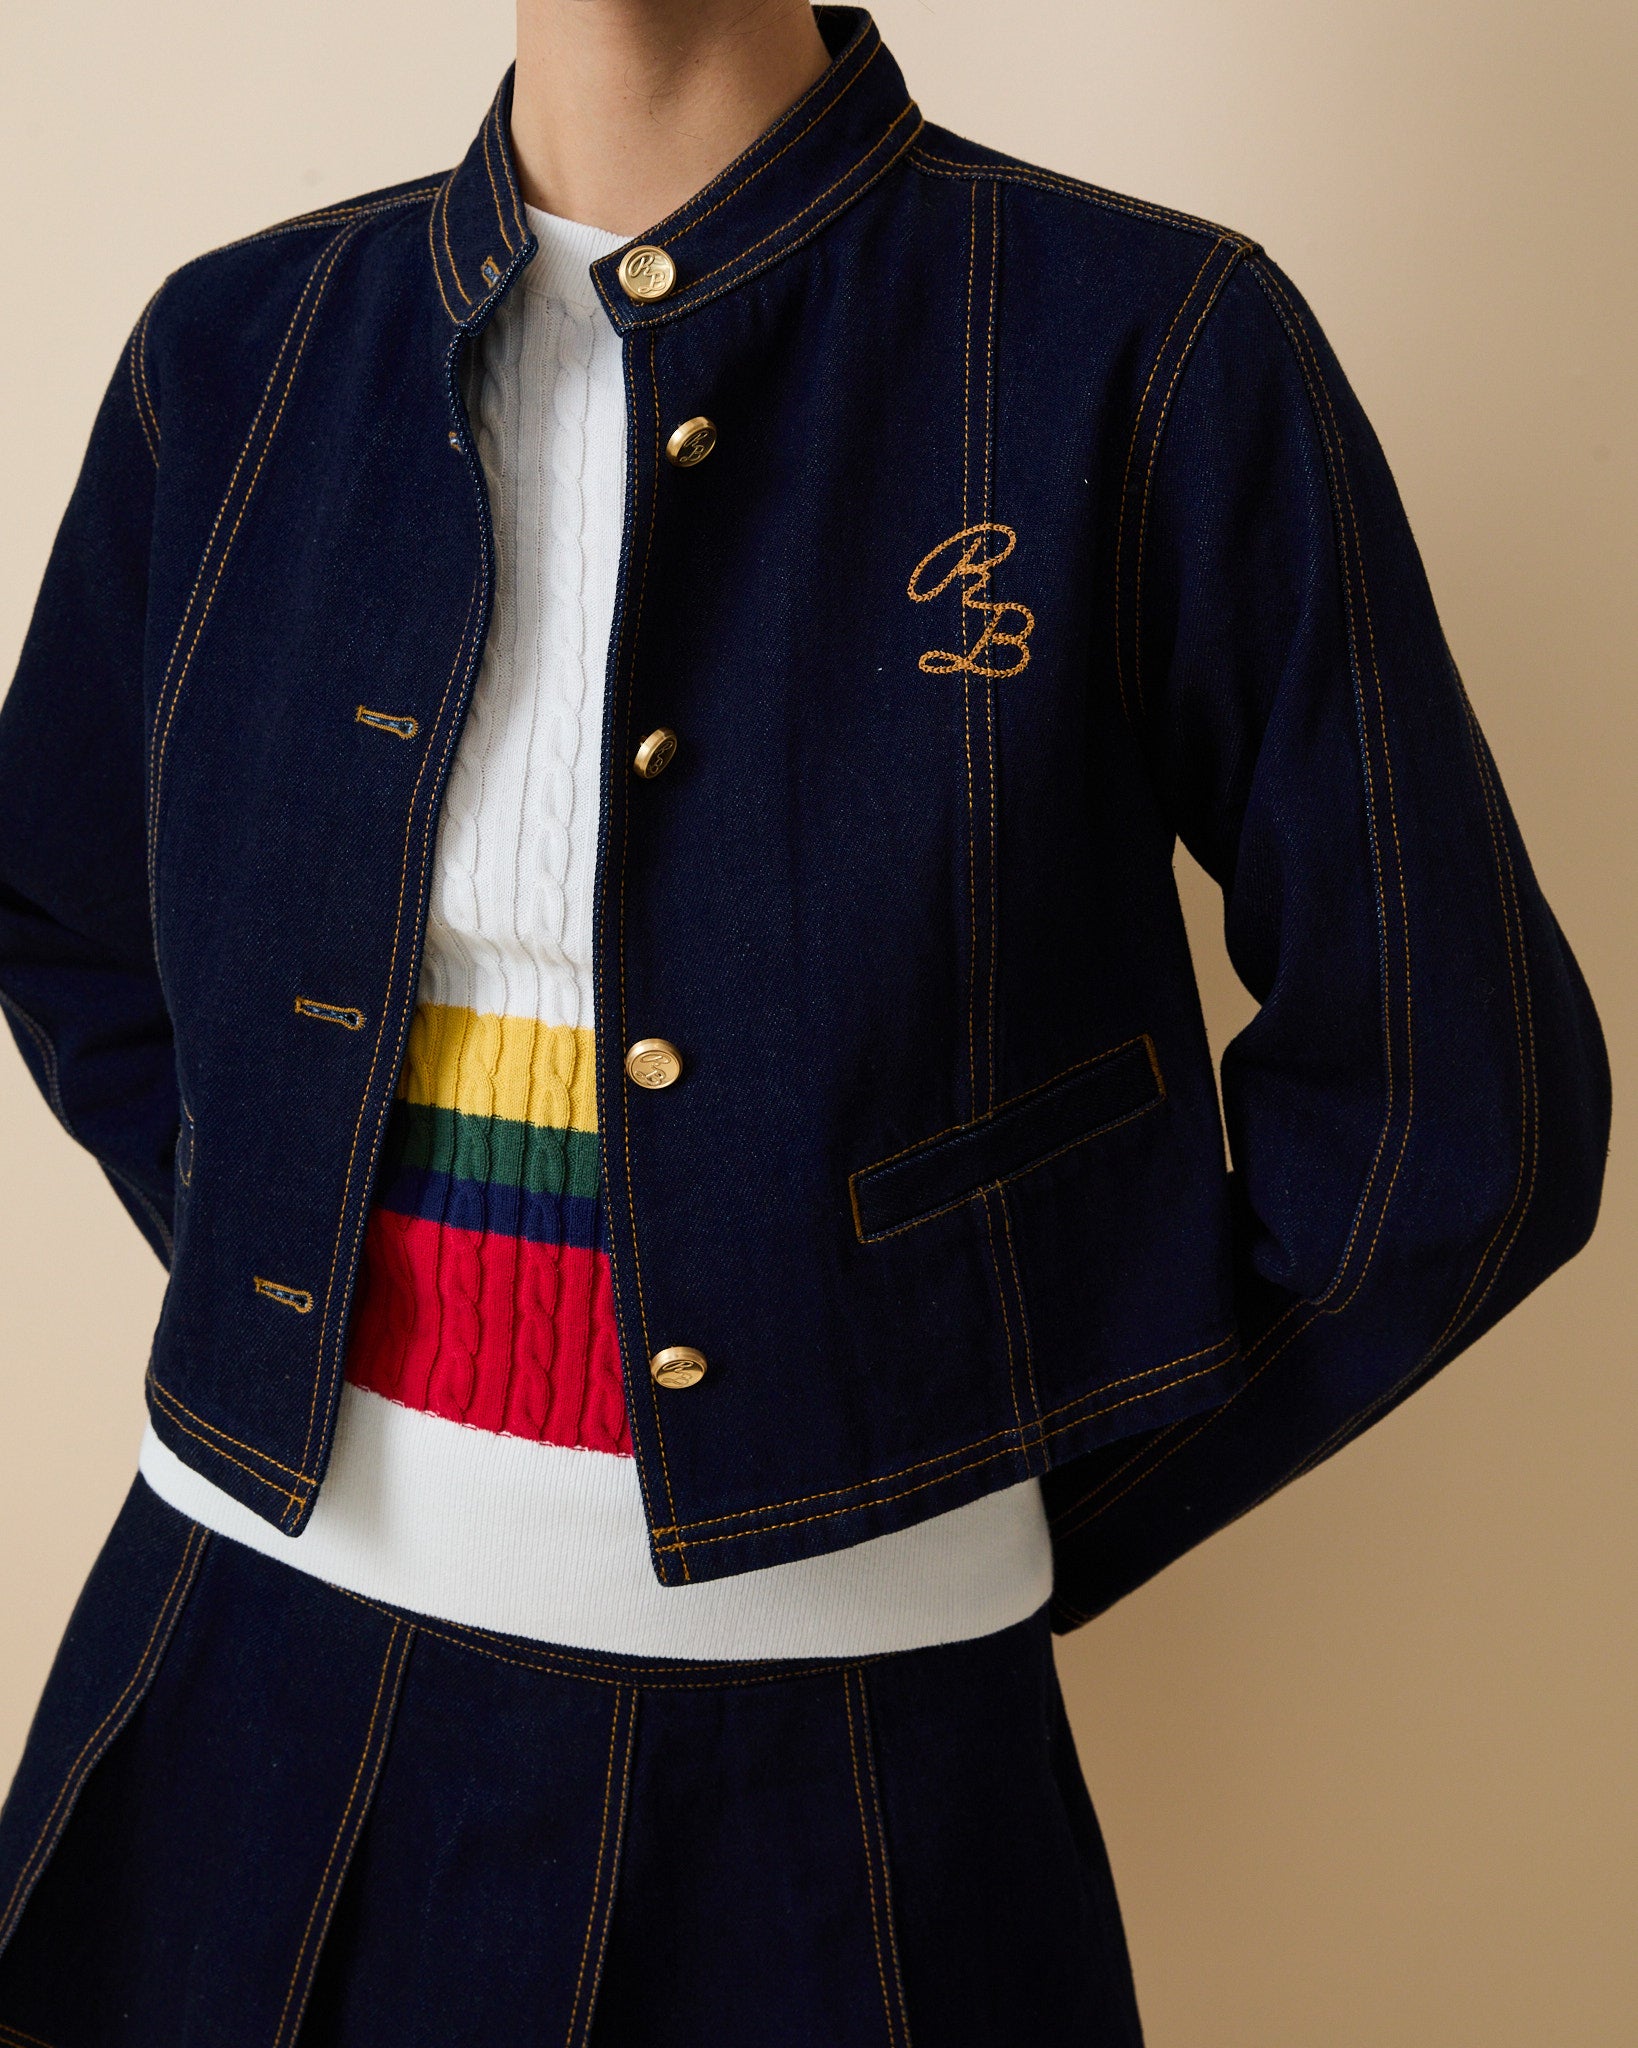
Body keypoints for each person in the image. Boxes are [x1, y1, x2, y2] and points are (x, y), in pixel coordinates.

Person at [0, 0, 1608, 2038]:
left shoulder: (1147, 342)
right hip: (225, 1682)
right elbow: (65, 909)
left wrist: (963, 1473)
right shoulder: (236, 349)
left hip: (835, 1779)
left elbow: (1456, 1119)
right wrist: (296, 1291)